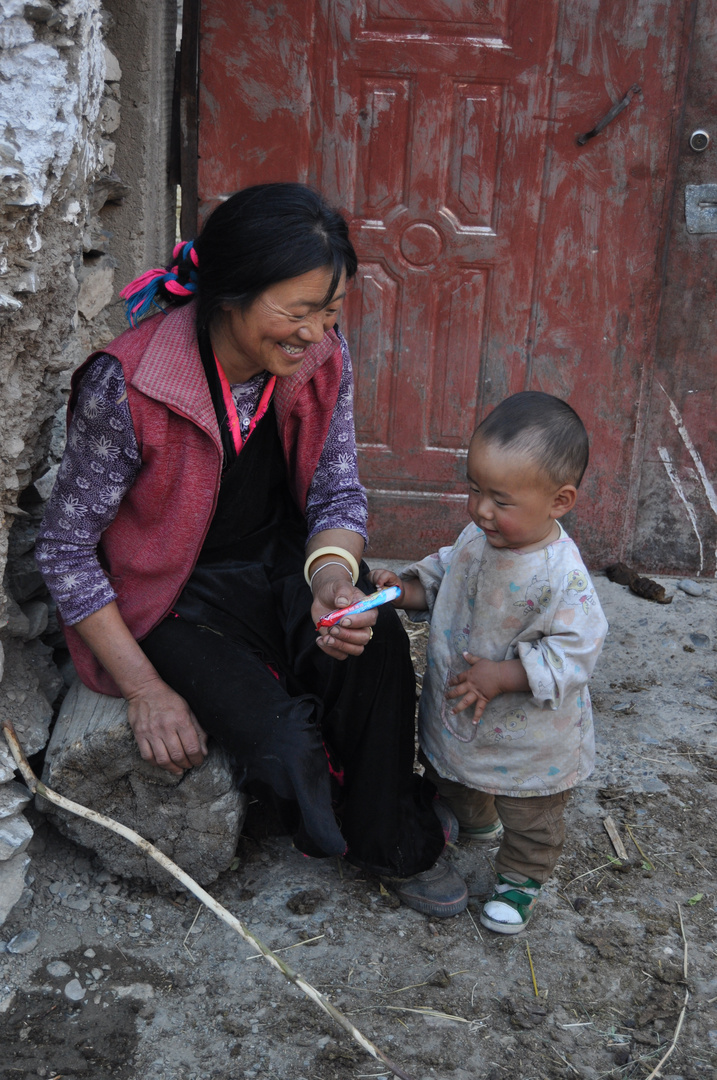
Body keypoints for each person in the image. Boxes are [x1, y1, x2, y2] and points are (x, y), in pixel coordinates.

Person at [36, 183, 468, 918]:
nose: (314, 333)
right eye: (296, 311)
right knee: (280, 741)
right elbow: (66, 550)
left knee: (378, 648)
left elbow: (336, 493)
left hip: (280, 556)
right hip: (171, 594)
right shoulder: (129, 384)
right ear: (230, 294)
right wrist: (145, 690)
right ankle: (321, 813)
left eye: (329, 313)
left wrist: (334, 576)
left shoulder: (322, 359)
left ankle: (393, 841)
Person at [368, 392, 608, 934]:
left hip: (530, 737)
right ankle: (476, 824)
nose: (480, 509)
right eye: (474, 489)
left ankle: (520, 880)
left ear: (560, 501)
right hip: (463, 711)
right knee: (455, 777)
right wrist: (404, 589)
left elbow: (577, 651)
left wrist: (505, 675)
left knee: (531, 815)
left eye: (500, 499)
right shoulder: (479, 538)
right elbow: (446, 572)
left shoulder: (561, 576)